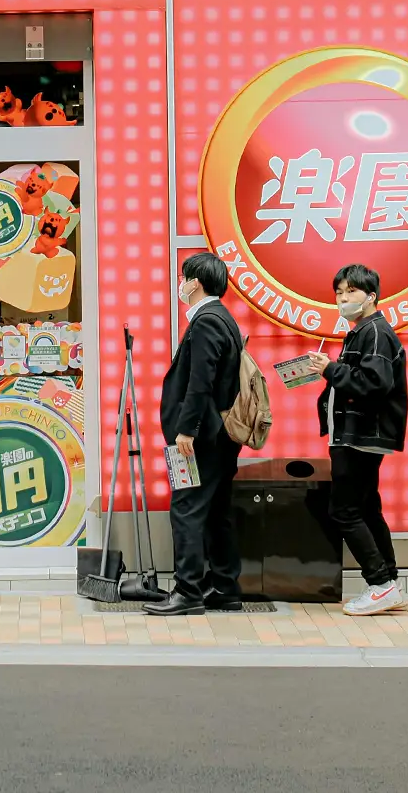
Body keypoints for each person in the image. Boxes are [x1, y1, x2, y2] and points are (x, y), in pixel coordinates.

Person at [307, 264, 407, 617]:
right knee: (366, 508)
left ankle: (379, 584)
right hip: (357, 436)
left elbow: (374, 383)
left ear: (371, 296)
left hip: (359, 437)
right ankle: (389, 581)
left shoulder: (375, 332)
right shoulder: (363, 332)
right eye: (339, 292)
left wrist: (329, 369)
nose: (343, 298)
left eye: (351, 291)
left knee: (344, 510)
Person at [148, 252, 243, 618]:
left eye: (183, 277)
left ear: (195, 282)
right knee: (217, 511)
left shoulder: (206, 321)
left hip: (199, 437)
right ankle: (224, 587)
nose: (180, 283)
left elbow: (200, 381)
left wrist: (186, 429)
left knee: (186, 508)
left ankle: (188, 590)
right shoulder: (225, 319)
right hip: (220, 436)